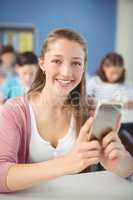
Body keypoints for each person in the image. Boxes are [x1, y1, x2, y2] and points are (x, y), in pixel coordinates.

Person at [0, 29, 133, 193]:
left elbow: (128, 168)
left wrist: (118, 162)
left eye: (76, 63)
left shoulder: (90, 110)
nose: (66, 72)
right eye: (57, 60)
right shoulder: (15, 111)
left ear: (84, 67)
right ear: (42, 63)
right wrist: (66, 164)